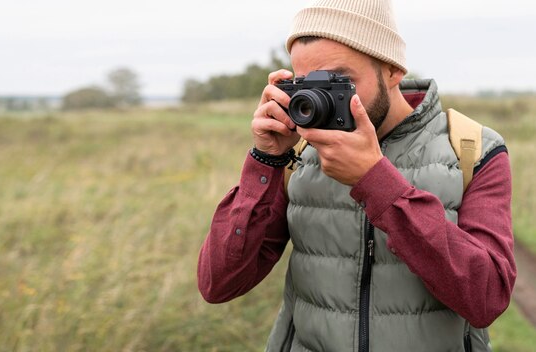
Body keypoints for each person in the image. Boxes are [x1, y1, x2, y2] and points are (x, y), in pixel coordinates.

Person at [197, 0, 516, 351]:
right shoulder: (301, 155)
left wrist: (376, 181)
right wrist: (266, 159)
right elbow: (218, 284)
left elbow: (486, 298)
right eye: (307, 84)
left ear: (393, 69)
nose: (318, 100)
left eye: (339, 82)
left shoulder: (471, 150)